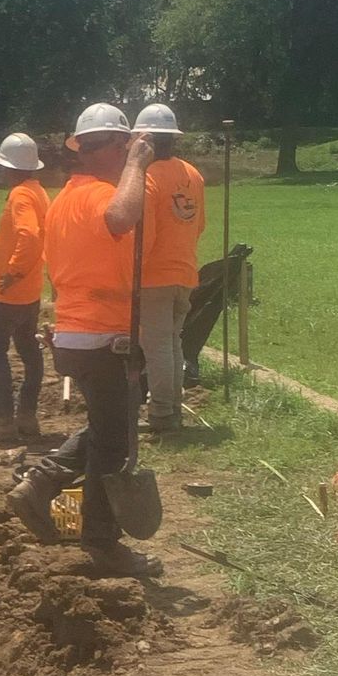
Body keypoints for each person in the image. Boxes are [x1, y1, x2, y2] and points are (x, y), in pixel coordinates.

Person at [8, 103, 163, 573]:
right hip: (102, 336)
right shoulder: (97, 195)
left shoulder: (65, 199)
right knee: (114, 444)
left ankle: (43, 480)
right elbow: (122, 218)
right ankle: (101, 543)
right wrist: (138, 165)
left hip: (78, 333)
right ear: (114, 146)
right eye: (125, 148)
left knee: (107, 425)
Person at [133, 101, 206, 432]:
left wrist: (132, 276)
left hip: (154, 277)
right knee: (173, 341)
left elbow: (144, 236)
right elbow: (199, 224)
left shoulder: (146, 177)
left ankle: (162, 413)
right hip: (186, 271)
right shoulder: (192, 174)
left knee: (158, 345)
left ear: (145, 138)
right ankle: (171, 407)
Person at [0, 131, 50, 446]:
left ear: (12, 168)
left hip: (10, 292)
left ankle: (4, 421)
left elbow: (30, 235)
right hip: (30, 291)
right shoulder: (38, 191)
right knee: (29, 352)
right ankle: (27, 417)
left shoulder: (20, 194)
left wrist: (12, 272)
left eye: (3, 166)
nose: (1, 172)